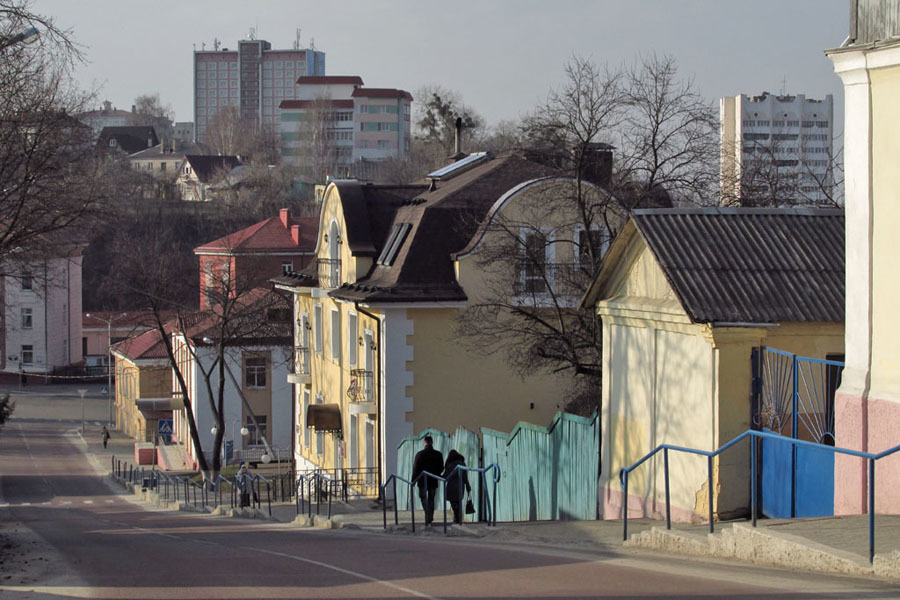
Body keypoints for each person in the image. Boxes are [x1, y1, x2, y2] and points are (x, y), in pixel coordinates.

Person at [411, 435, 443, 525]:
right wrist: (436, 473)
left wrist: (413, 481)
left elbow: (415, 469)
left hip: (422, 480)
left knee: (423, 497)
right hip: (433, 480)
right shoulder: (438, 454)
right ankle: (430, 515)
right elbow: (441, 467)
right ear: (432, 442)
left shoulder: (419, 454)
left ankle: (427, 514)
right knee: (431, 499)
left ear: (424, 443)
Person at [441, 449, 471, 524]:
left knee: (453, 503)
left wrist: (438, 476)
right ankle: (458, 518)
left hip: (451, 486)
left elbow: (445, 476)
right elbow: (465, 477)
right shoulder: (462, 464)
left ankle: (457, 518)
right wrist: (468, 486)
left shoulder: (449, 464)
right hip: (460, 486)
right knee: (458, 502)